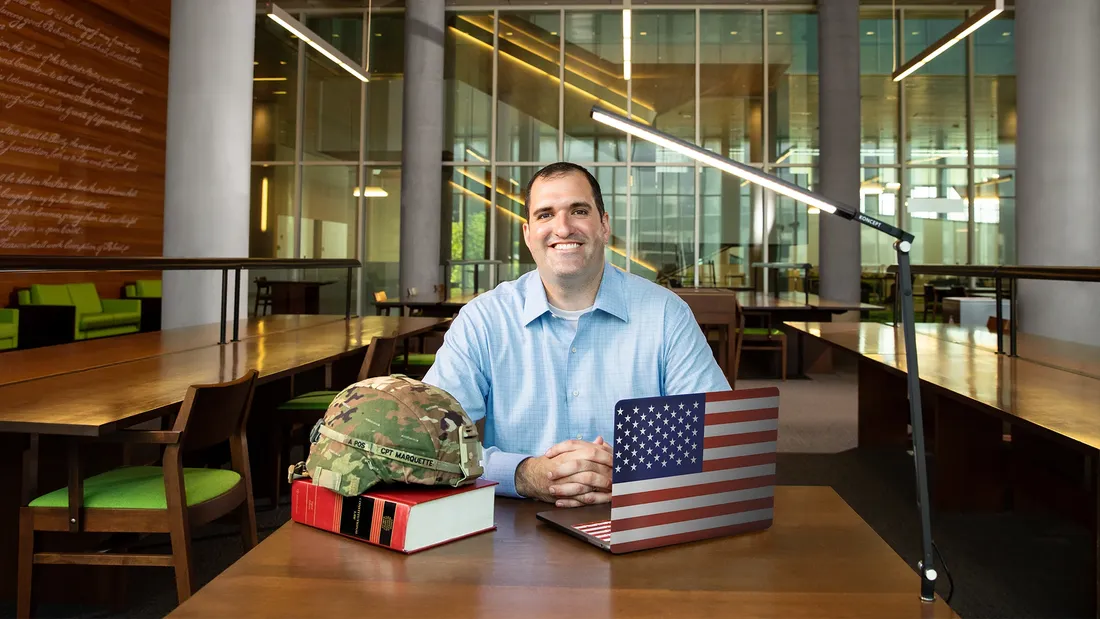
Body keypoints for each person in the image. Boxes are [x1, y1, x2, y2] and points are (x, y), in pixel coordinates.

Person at [423, 162, 730, 508]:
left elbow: (716, 436)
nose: (563, 227)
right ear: (527, 234)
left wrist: (625, 470)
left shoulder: (665, 315)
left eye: (578, 211)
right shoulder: (483, 319)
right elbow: (430, 440)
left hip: (641, 520)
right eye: (545, 215)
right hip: (514, 528)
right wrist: (524, 474)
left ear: (604, 224)